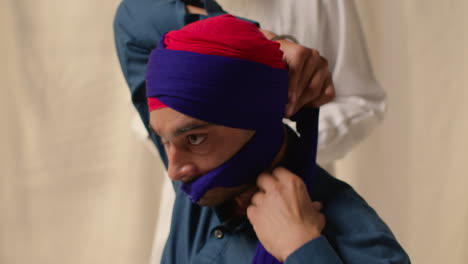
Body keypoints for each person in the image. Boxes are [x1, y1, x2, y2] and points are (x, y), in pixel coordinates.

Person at [141, 15, 409, 263]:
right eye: (164, 140)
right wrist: (269, 42)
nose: (174, 171)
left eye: (196, 139)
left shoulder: (353, 232)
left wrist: (302, 248)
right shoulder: (198, 181)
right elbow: (135, 18)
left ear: (256, 118)